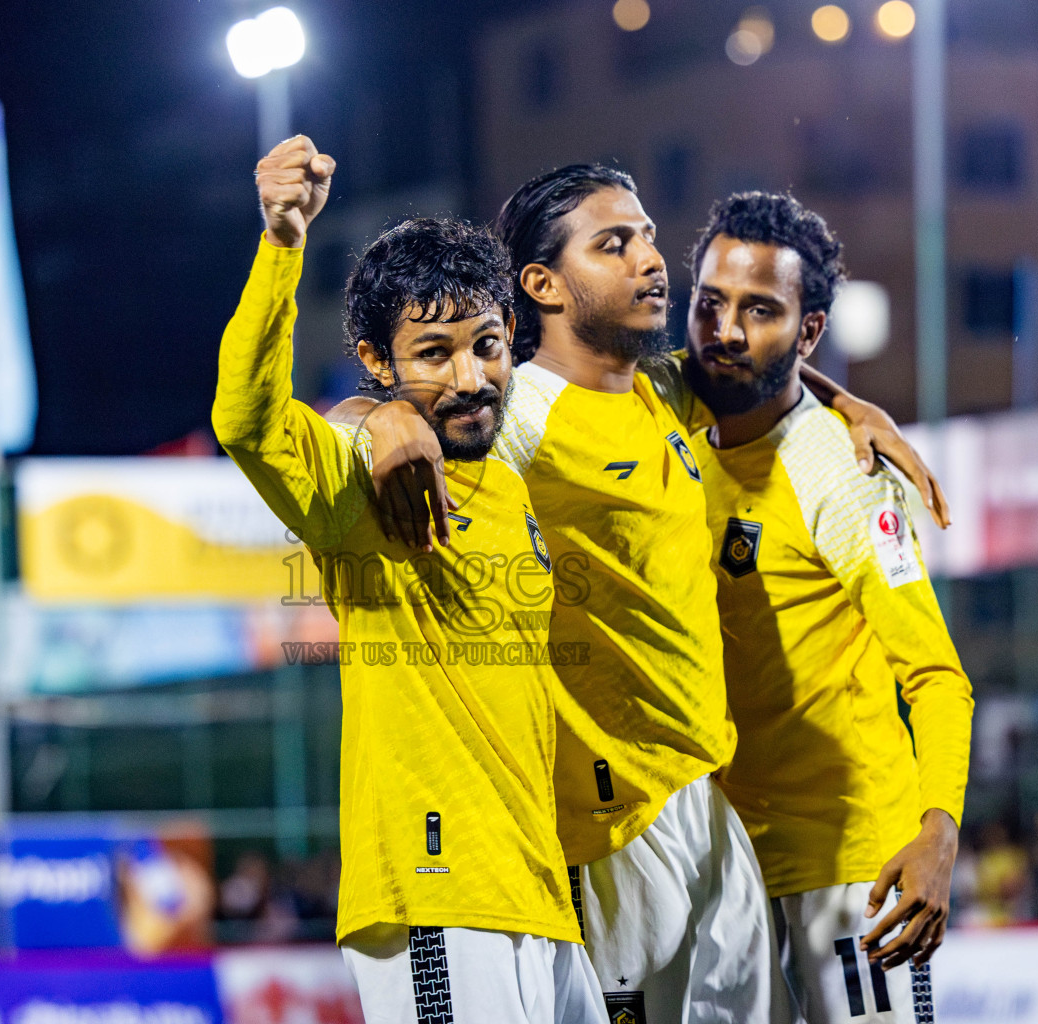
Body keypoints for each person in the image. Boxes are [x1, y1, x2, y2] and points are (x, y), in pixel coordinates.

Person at [331, 164, 946, 1024]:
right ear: (540, 285)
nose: (651, 260)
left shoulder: (664, 390)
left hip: (709, 803)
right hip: (608, 827)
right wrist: (378, 413)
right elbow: (408, 413)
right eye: (614, 244)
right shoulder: (516, 411)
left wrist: (845, 402)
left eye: (649, 236)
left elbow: (763, 371)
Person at [212, 134, 606, 1024]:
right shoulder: (355, 479)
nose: (471, 378)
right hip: (437, 892)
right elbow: (244, 418)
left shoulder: (507, 478)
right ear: (377, 359)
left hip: (534, 893)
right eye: (432, 355)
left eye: (488, 346)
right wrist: (282, 243)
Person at [684, 191, 975, 1023]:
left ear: (808, 331)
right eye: (711, 304)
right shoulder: (666, 430)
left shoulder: (843, 473)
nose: (727, 331)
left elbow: (936, 677)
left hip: (855, 870)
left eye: (761, 311)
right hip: (727, 872)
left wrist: (938, 835)